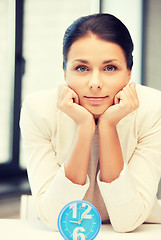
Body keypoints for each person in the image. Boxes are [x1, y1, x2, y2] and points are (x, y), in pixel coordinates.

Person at [20, 13, 161, 233]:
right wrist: (85, 128)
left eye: (110, 68)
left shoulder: (153, 108)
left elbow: (127, 221)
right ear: (65, 72)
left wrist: (107, 126)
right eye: (82, 68)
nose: (95, 83)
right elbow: (54, 217)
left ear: (129, 72)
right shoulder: (38, 110)